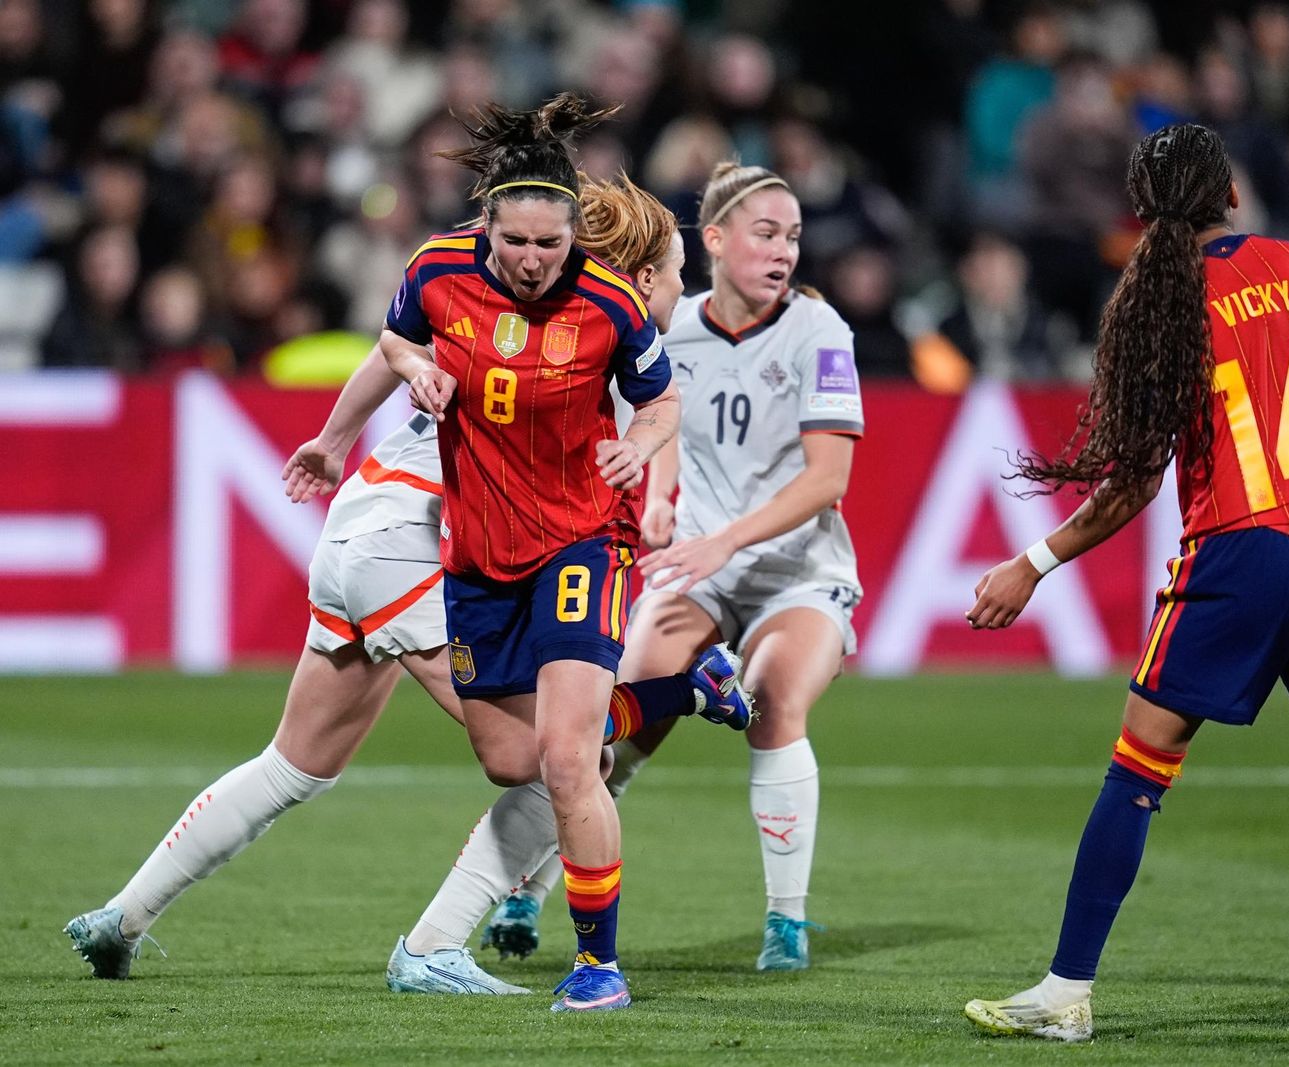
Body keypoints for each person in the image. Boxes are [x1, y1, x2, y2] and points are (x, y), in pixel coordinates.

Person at [63, 106, 750, 1007]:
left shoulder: (510, 299)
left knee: (296, 763)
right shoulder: (590, 321)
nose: (680, 301)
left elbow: (400, 350)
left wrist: (331, 439)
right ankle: (433, 945)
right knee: (556, 762)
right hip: (420, 539)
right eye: (677, 281)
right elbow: (414, 347)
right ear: (645, 274)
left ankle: (120, 917)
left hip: (360, 527)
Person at [960, 124, 1289, 1047]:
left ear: (1142, 212)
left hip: (1243, 549)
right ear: (1232, 194)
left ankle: (1066, 991)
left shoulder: (1163, 302)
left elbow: (1135, 482)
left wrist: (1034, 561)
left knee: (1138, 771)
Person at [378, 95, 732, 1013]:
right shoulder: (435, 271)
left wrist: (640, 448)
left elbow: (661, 404)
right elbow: (395, 336)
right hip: (479, 555)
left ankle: (598, 965)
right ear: (485, 226)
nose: (533, 261)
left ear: (574, 234)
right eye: (516, 243)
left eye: (549, 244)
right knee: (512, 759)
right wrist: (412, 369)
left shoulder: (610, 303)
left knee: (571, 759)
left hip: (581, 540)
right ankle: (684, 688)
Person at [484, 162, 866, 973]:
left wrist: (725, 541)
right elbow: (656, 421)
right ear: (716, 241)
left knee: (772, 699)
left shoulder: (820, 333)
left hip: (797, 569)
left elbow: (828, 478)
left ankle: (785, 920)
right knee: (613, 709)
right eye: (766, 233)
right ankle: (528, 885)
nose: (784, 251)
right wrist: (658, 497)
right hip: (697, 561)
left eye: (794, 236)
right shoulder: (669, 323)